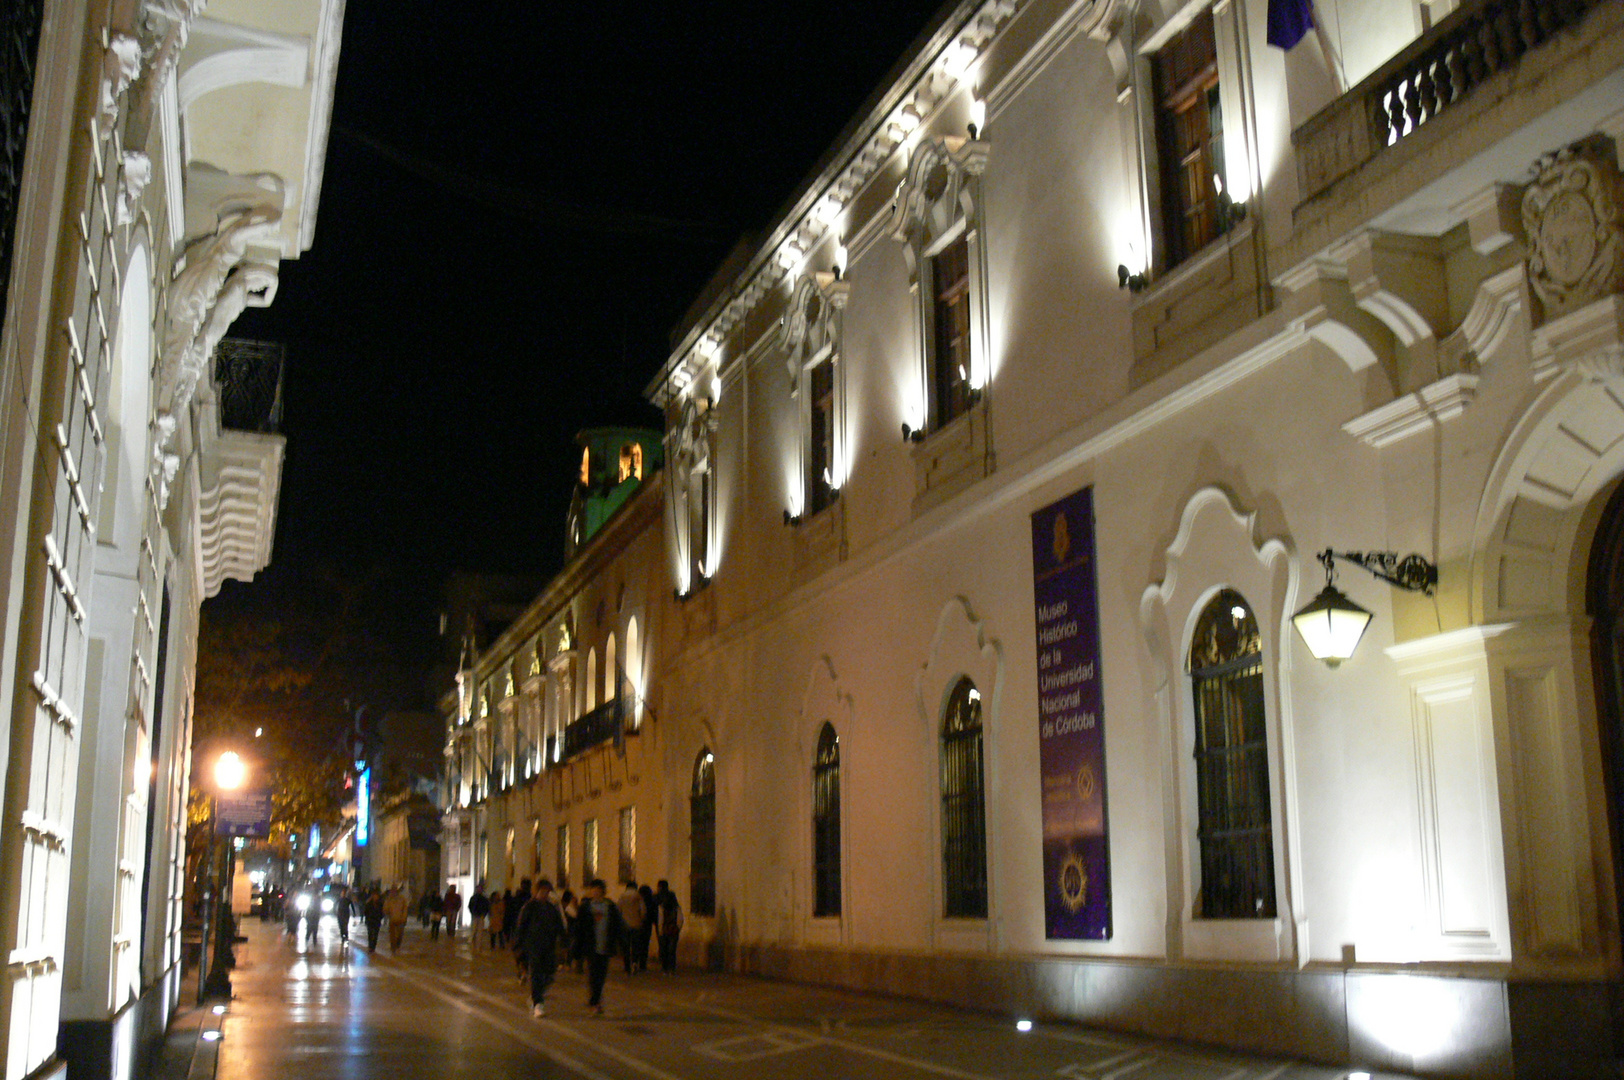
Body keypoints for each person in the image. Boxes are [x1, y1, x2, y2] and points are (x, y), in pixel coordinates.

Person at [512, 879, 567, 1017]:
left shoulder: (551, 908)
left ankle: (535, 996)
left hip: (549, 946)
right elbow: (521, 927)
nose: (544, 894)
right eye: (542, 891)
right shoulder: (529, 907)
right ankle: (538, 1004)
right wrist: (518, 946)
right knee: (536, 974)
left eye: (547, 892)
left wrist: (564, 943)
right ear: (536, 891)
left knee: (549, 974)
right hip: (533, 946)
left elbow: (559, 925)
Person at [573, 879, 624, 1015]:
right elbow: (579, 928)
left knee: (601, 976)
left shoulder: (609, 906)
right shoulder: (586, 907)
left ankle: (596, 999)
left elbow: (617, 925)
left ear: (602, 890)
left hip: (605, 946)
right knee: (593, 975)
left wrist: (620, 943)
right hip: (591, 947)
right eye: (593, 889)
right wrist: (577, 946)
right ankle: (595, 1002)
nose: (595, 891)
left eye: (598, 889)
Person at [654, 880, 683, 973]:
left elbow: (660, 920)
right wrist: (678, 928)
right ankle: (671, 968)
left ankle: (665, 967)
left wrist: (660, 930)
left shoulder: (661, 907)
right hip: (673, 930)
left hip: (665, 929)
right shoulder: (676, 907)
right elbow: (680, 919)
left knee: (664, 949)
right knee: (671, 950)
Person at [615, 880, 644, 974]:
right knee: (635, 945)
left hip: (625, 925)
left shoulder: (622, 896)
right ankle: (635, 962)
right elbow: (643, 910)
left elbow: (618, 910)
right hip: (636, 924)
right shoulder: (638, 896)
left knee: (626, 946)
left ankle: (627, 965)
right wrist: (641, 920)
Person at [635, 883, 656, 972]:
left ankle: (635, 962)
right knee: (645, 945)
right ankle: (643, 965)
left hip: (638, 924)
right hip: (647, 925)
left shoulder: (639, 901)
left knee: (637, 944)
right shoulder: (651, 901)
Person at [383, 885, 410, 953]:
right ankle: (393, 947)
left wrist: (404, 917)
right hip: (392, 919)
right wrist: (387, 911)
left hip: (400, 919)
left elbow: (405, 909)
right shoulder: (389, 899)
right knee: (392, 934)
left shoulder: (402, 899)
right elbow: (385, 908)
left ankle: (397, 945)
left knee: (400, 934)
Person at [363, 887, 385, 952]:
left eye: (376, 896)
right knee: (370, 934)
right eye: (374, 896)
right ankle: (370, 946)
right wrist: (367, 918)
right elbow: (365, 912)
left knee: (375, 935)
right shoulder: (369, 904)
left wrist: (380, 918)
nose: (375, 897)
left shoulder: (380, 904)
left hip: (377, 921)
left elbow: (382, 912)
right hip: (370, 921)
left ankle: (373, 947)